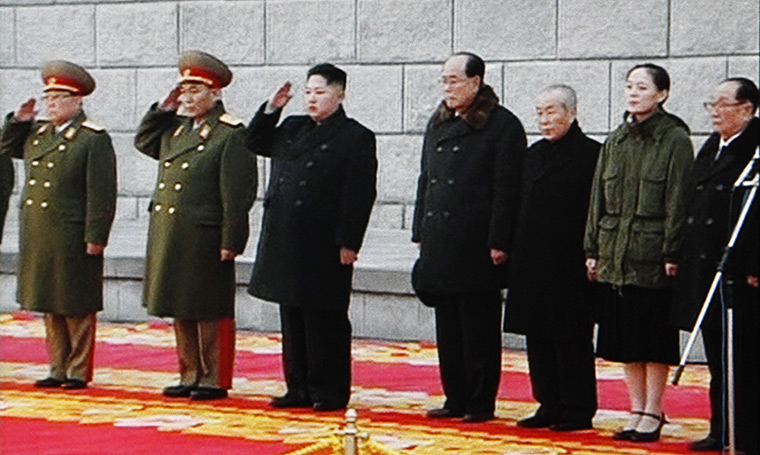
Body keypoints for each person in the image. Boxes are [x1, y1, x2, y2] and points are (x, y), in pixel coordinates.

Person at [246, 63, 377, 412]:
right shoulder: (292, 127)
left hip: (324, 242)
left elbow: (360, 192)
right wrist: (272, 109)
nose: (312, 99)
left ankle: (329, 390)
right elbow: (254, 141)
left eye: (320, 92)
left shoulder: (355, 136)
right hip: (287, 238)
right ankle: (298, 386)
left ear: (339, 94)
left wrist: (350, 241)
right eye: (308, 92)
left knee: (325, 318)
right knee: (292, 316)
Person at [135, 51, 257, 401]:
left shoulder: (229, 132)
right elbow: (144, 142)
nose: (187, 98)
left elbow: (238, 192)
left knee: (209, 306)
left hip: (206, 231)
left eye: (195, 91)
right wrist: (161, 110)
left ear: (215, 93)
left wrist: (232, 238)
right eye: (183, 91)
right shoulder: (175, 128)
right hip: (172, 231)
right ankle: (188, 372)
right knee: (180, 302)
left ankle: (214, 378)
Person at [412, 52, 526, 423]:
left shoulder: (501, 125)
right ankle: (455, 396)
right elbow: (426, 179)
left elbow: (507, 188)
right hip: (441, 239)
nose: (448, 87)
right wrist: (420, 232)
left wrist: (500, 240)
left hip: (477, 241)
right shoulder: (439, 121)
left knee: (478, 327)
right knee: (448, 325)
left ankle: (479, 401)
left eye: (454, 80)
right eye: (444, 80)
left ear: (476, 82)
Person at [584, 63, 693, 442]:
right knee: (627, 340)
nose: (633, 93)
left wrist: (673, 250)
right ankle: (635, 409)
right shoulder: (617, 139)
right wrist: (592, 248)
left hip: (653, 253)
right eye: (629, 86)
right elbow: (598, 198)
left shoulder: (674, 139)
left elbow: (679, 199)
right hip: (618, 252)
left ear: (661, 94)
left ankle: (653, 409)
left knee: (653, 339)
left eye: (642, 87)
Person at [0, 61, 117, 389]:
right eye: (48, 98)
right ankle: (57, 367)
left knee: (75, 302)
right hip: (41, 231)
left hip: (71, 230)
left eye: (58, 98)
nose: (51, 104)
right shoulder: (37, 134)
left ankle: (78, 369)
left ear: (77, 101)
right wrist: (18, 121)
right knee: (50, 300)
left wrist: (96, 235)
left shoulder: (91, 139)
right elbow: (7, 147)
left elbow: (101, 192)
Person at [504, 85, 600, 432]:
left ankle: (576, 408)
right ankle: (548, 402)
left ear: (571, 113)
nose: (545, 120)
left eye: (551, 112)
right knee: (537, 335)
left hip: (570, 261)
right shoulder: (533, 154)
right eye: (540, 113)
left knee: (570, 336)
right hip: (531, 260)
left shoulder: (592, 155)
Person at [672, 77, 759, 452]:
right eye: (713, 105)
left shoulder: (754, 151)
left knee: (744, 357)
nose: (715, 113)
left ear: (747, 109)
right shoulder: (713, 146)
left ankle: (748, 432)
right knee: (718, 356)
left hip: (742, 273)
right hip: (707, 270)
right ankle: (721, 426)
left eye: (723, 105)